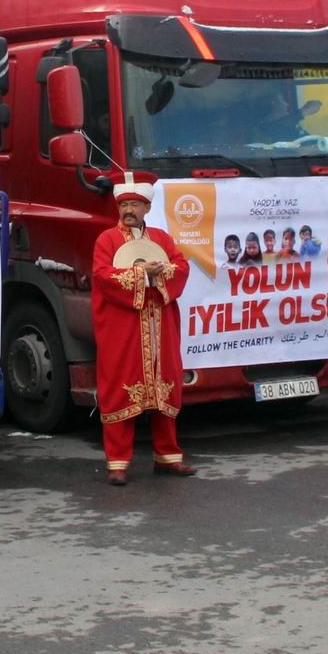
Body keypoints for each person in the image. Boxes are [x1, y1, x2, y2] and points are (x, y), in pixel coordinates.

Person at [90, 171, 196, 485]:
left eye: (135, 204)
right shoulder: (106, 240)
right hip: (122, 329)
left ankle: (168, 457)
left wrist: (161, 271)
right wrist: (141, 274)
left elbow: (181, 266)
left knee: (164, 386)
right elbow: (102, 276)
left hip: (159, 326)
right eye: (124, 204)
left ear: (147, 208)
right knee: (120, 387)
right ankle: (118, 463)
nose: (129, 210)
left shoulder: (162, 239)